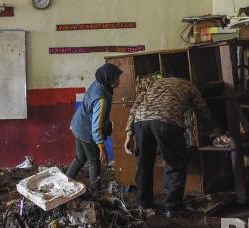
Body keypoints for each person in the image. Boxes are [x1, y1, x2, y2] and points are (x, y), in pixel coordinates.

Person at [124, 77, 221, 218]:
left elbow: (135, 107)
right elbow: (202, 109)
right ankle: (173, 208)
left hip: (141, 123)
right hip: (166, 121)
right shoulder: (189, 86)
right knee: (174, 163)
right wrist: (214, 129)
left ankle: (144, 204)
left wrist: (129, 134)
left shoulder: (153, 84)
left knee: (144, 163)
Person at [67, 63, 123, 191]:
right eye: (116, 78)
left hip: (78, 123)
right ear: (109, 79)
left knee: (80, 158)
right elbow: (96, 127)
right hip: (87, 130)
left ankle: (66, 182)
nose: (119, 80)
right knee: (95, 162)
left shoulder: (99, 83)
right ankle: (95, 193)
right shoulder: (101, 98)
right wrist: (102, 147)